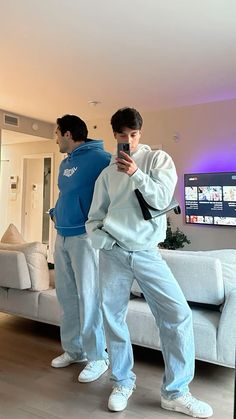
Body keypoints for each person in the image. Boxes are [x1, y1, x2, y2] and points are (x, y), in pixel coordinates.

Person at [86, 107, 213, 417]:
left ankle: (176, 392)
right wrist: (107, 242)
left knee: (178, 313)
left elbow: (160, 199)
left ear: (140, 133)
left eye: (133, 135)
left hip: (147, 252)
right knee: (112, 318)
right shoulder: (105, 174)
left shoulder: (158, 160)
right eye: (122, 136)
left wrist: (135, 174)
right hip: (114, 252)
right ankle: (122, 382)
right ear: (113, 136)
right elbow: (94, 218)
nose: (128, 141)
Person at [50, 114, 110, 383]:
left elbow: (117, 190)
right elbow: (67, 194)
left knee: (89, 297)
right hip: (61, 234)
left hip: (84, 238)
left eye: (57, 133)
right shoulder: (66, 163)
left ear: (68, 134)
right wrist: (56, 211)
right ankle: (74, 350)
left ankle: (98, 356)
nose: (56, 138)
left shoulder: (101, 159)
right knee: (66, 296)